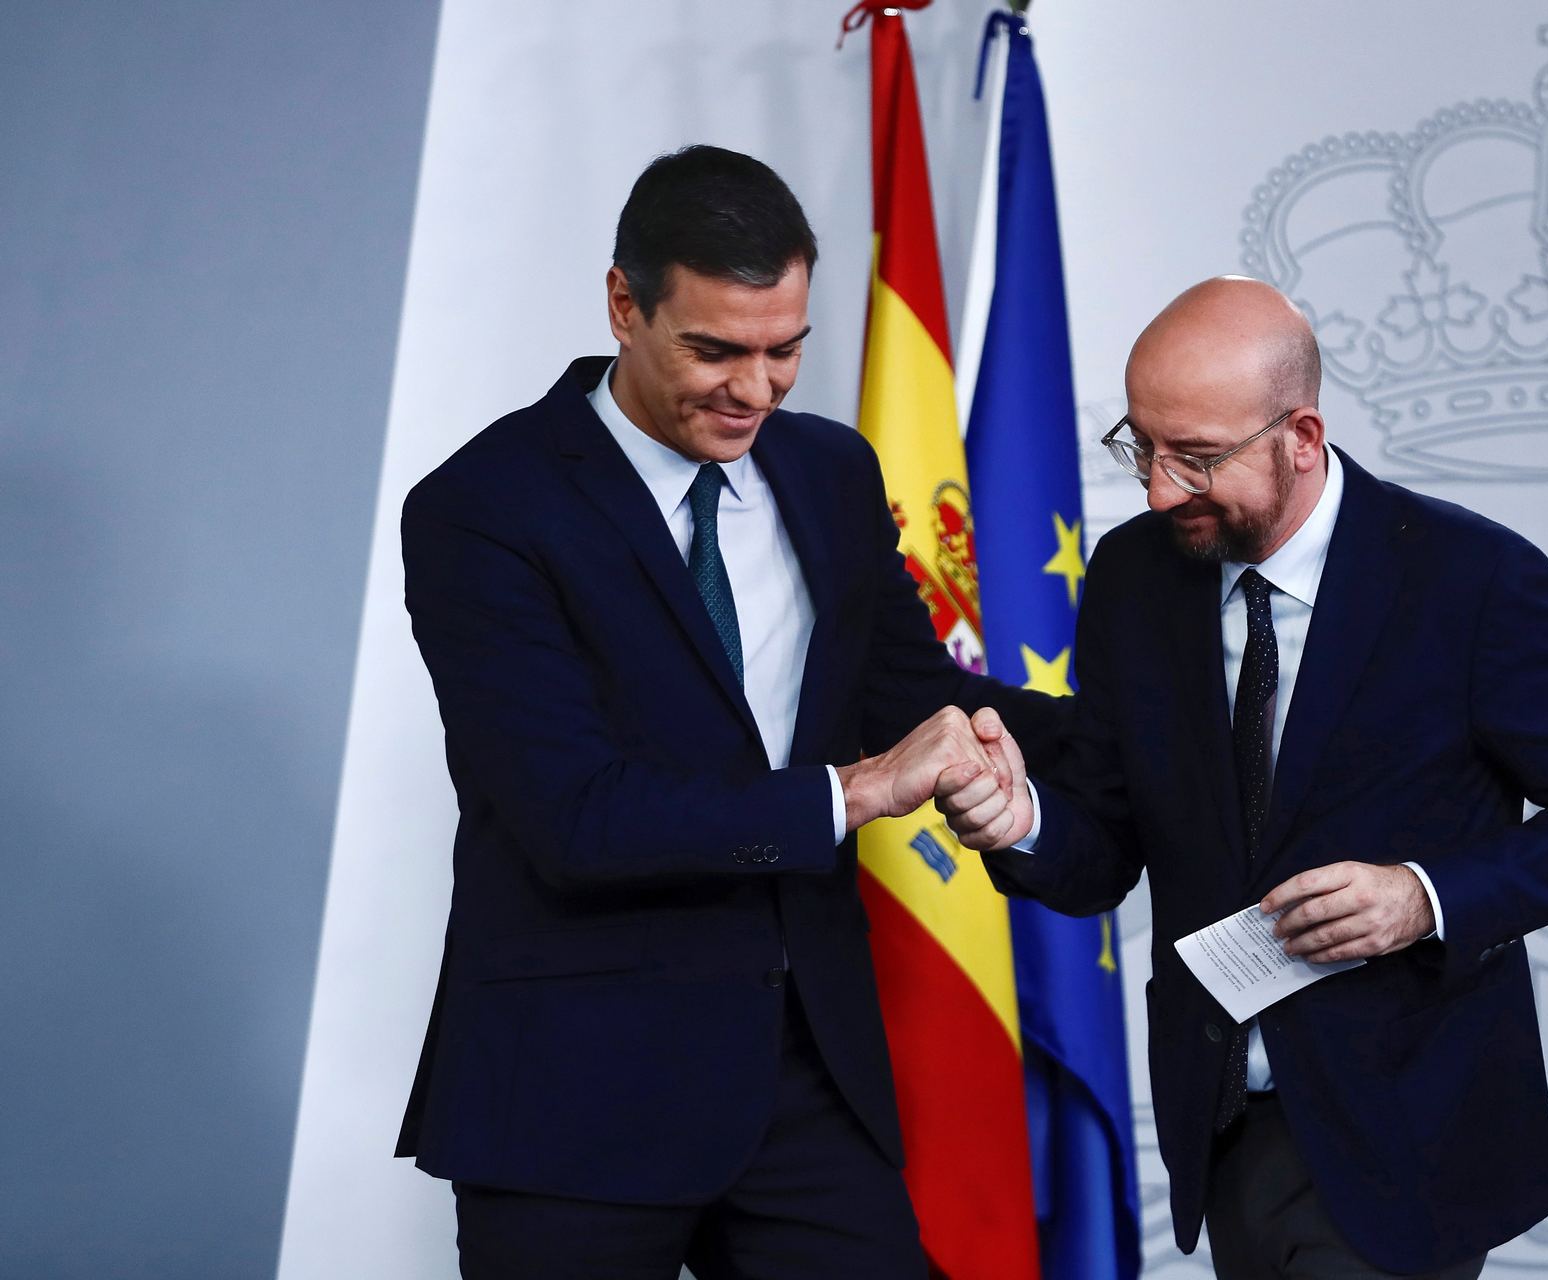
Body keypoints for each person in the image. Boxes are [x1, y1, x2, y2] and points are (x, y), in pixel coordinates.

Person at [394, 144, 1062, 1279]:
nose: (754, 388)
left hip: (803, 1081)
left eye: (784, 348)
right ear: (623, 303)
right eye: (714, 348)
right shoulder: (482, 507)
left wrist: (1140, 735)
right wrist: (854, 792)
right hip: (572, 1098)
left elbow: (918, 696)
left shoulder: (830, 472)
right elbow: (577, 814)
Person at [938, 278, 1548, 1279]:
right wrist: (1021, 818)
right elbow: (1103, 851)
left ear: (1302, 434)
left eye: (1196, 458)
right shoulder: (1131, 574)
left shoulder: (1468, 578)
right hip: (1224, 1121)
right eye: (1142, 447)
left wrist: (1423, 896)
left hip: (1403, 1125)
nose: (1159, 490)